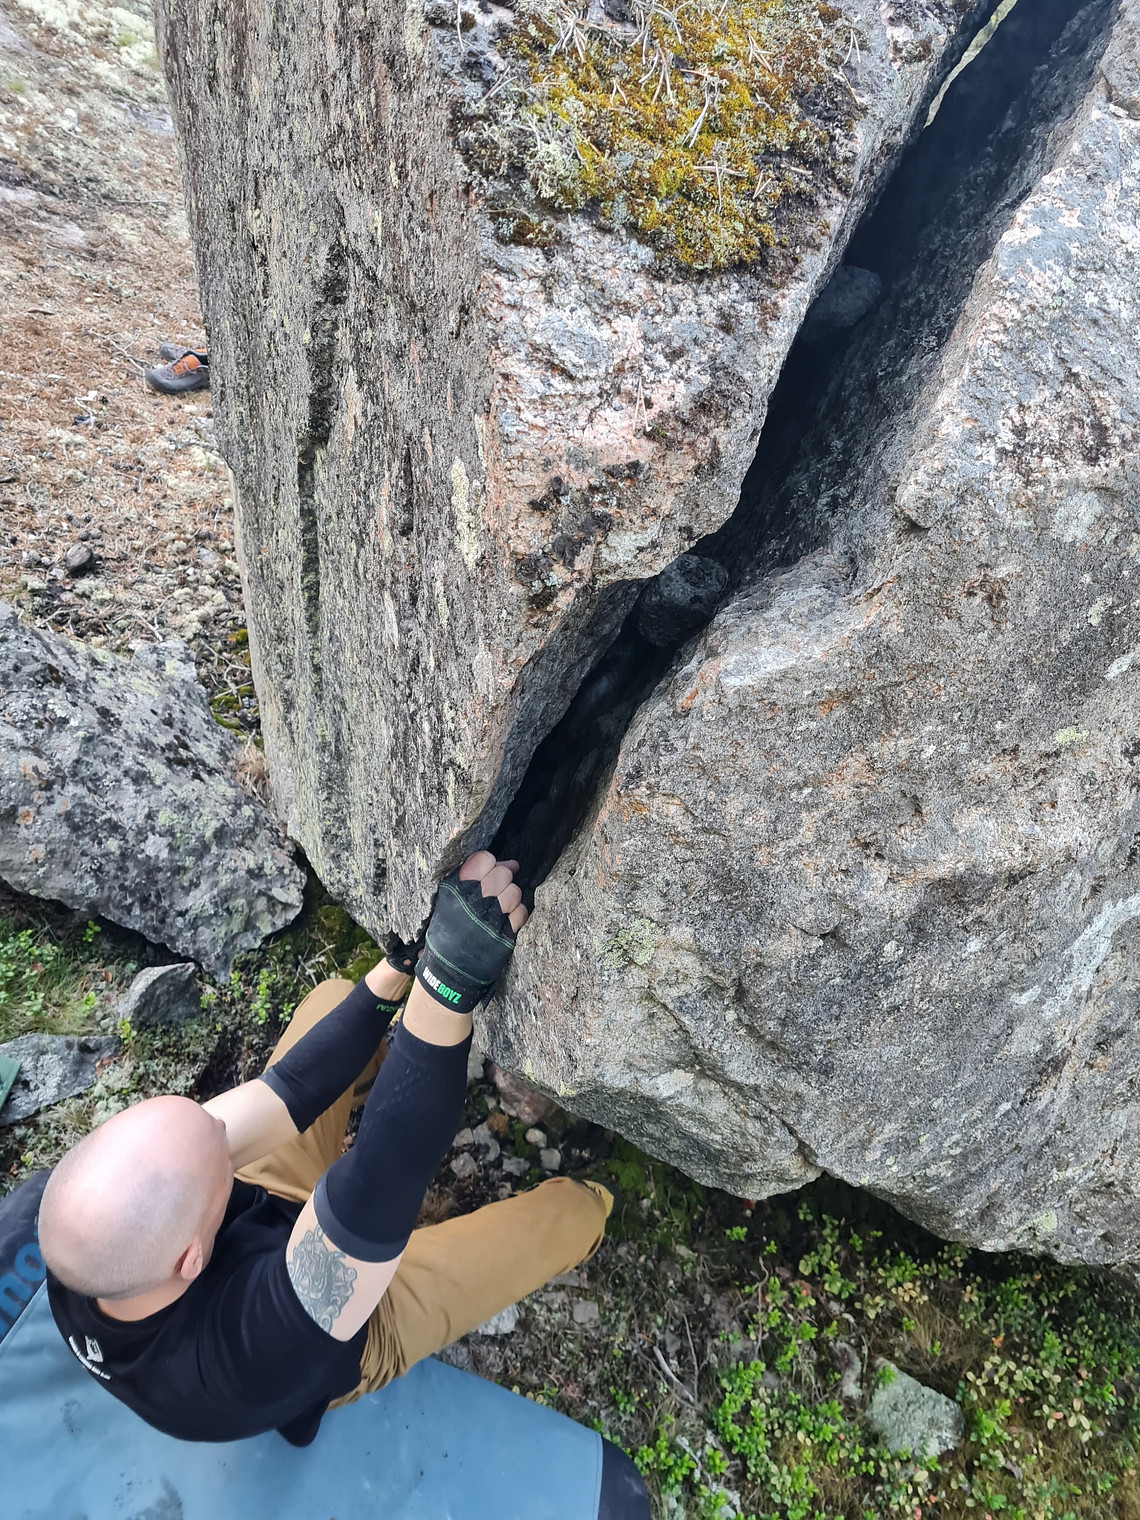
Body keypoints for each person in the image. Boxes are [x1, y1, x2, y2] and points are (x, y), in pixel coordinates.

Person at [37, 851, 612, 1446]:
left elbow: (283, 1090)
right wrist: (447, 981)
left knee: (334, 1001)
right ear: (190, 1258)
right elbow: (387, 1169)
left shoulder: (79, 1234)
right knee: (571, 1214)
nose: (222, 1126)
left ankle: (394, 1059)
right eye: (219, 1153)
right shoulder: (251, 1354)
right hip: (342, 1328)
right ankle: (599, 1204)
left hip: (257, 1226)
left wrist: (399, 971)